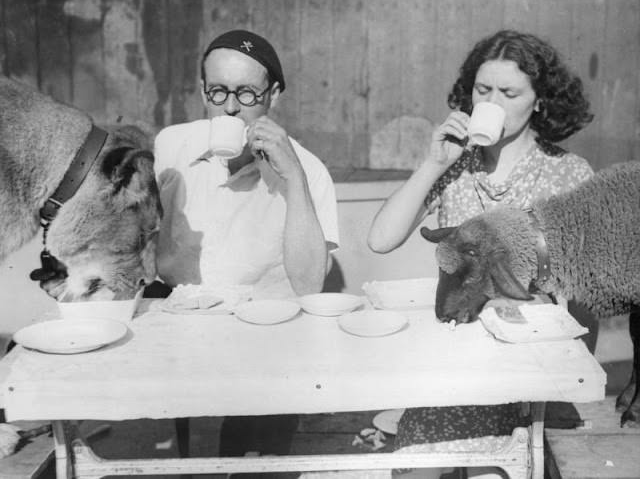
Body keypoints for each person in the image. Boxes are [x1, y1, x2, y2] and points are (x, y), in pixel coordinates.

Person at [368, 30, 594, 478]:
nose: (492, 101)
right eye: (483, 90)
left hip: (526, 376)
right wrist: (434, 163)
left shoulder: (567, 173)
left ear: (539, 101)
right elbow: (380, 239)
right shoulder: (455, 166)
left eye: (509, 92)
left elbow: (586, 296)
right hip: (450, 369)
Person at [153, 29, 339, 471]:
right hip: (177, 325)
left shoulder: (309, 171)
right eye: (217, 91)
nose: (231, 107)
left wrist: (292, 176)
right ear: (202, 90)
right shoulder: (170, 146)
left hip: (264, 336)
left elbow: (311, 284)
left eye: (247, 93)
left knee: (253, 454)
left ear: (273, 94)